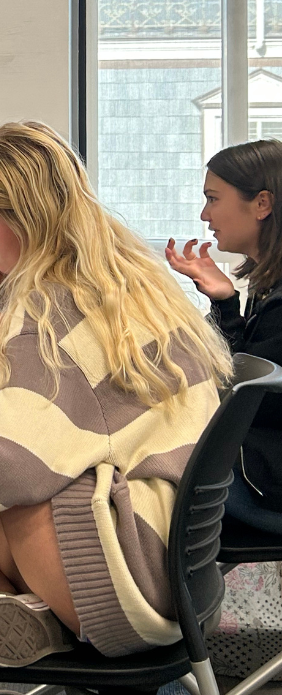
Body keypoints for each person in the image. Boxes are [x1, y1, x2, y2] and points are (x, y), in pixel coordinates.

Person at [0, 121, 234, 666]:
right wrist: (10, 294)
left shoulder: (48, 315)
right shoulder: (131, 281)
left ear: (26, 221)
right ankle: (37, 620)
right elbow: (76, 403)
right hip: (180, 573)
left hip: (123, 589)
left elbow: (5, 469)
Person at [166, 139, 282, 532]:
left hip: (265, 485)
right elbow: (240, 373)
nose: (205, 213)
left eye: (213, 199)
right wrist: (226, 303)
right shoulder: (268, 288)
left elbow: (241, 400)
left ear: (262, 204)